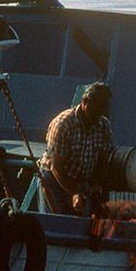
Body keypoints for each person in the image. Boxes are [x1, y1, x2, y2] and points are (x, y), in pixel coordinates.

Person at [40, 81, 114, 215]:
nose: (98, 113)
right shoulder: (63, 124)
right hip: (55, 179)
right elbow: (56, 167)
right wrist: (74, 193)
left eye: (102, 109)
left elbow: (103, 161)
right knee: (54, 222)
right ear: (85, 101)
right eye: (95, 108)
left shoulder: (104, 126)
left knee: (81, 223)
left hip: (81, 181)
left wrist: (96, 185)